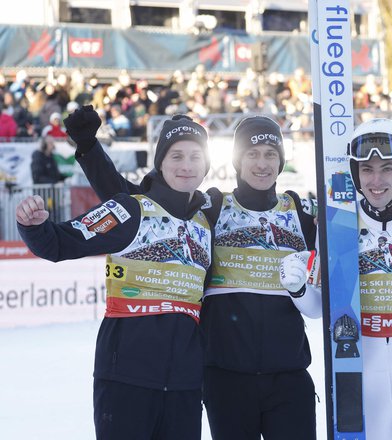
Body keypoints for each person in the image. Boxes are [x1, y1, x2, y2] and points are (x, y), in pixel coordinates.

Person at [68, 109, 321, 439]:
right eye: (252, 154)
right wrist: (89, 148)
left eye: (271, 154)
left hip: (288, 376)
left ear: (281, 160)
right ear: (237, 161)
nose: (262, 164)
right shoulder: (212, 207)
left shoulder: (299, 213)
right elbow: (136, 200)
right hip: (224, 376)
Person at [17, 113, 215, 440]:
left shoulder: (206, 223)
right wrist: (32, 224)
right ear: (160, 163)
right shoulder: (131, 211)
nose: (187, 165)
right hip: (126, 379)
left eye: (196, 156)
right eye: (176, 155)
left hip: (185, 387)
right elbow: (57, 243)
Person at [281, 118, 392, 439]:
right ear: (355, 174)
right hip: (363, 366)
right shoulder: (338, 221)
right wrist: (297, 289)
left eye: (387, 169)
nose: (376, 180)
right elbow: (319, 309)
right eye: (367, 170)